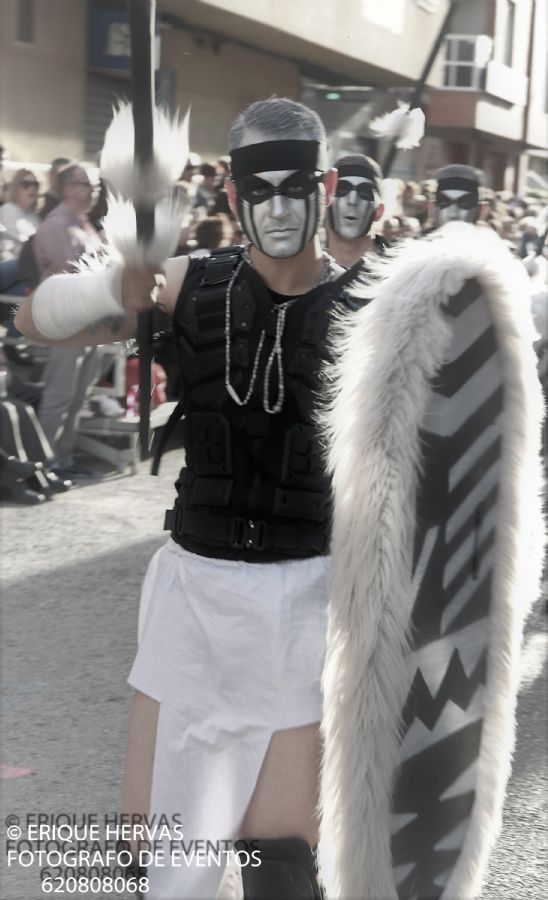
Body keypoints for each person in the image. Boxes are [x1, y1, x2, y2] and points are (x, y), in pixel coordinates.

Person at [15, 97, 369, 899]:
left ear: (328, 184)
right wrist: (119, 286)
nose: (279, 208)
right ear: (235, 199)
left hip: (307, 602)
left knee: (281, 862)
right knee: (157, 861)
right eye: (259, 191)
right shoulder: (187, 285)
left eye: (296, 187)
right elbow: (36, 320)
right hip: (194, 596)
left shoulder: (377, 306)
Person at [33, 163, 103, 479]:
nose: (94, 191)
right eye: (88, 184)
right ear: (68, 188)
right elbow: (73, 272)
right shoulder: (55, 225)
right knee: (58, 396)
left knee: (76, 398)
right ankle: (43, 466)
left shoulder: (83, 223)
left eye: (96, 185)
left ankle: (62, 460)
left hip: (87, 320)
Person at [325, 154, 385, 269]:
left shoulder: (400, 272)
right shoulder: (303, 272)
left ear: (379, 211)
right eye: (342, 189)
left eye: (364, 192)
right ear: (325, 204)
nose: (352, 201)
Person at [0, 168, 41, 262]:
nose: (32, 188)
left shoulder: (35, 216)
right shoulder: (7, 210)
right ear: (16, 187)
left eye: (36, 184)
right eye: (26, 184)